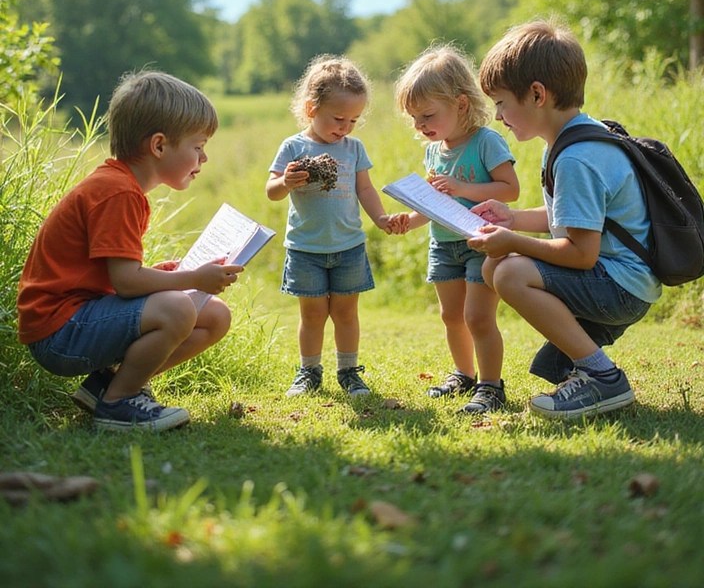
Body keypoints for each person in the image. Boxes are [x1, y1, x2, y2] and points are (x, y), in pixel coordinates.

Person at [17, 71, 243, 432]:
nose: (204, 158)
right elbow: (126, 283)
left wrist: (169, 275)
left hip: (80, 318)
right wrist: (190, 279)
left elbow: (113, 276)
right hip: (59, 332)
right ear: (159, 146)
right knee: (179, 306)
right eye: (198, 146)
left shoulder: (122, 187)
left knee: (215, 316)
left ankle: (105, 385)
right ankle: (119, 403)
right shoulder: (118, 192)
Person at [470, 19, 661, 419]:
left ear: (537, 94)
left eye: (503, 103)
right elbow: (572, 221)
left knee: (508, 272)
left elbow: (581, 254)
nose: (499, 116)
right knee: (497, 267)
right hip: (619, 279)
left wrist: (513, 244)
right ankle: (581, 366)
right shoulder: (570, 139)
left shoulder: (576, 158)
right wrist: (513, 219)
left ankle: (602, 378)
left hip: (620, 286)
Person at [266, 55, 407, 398]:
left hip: (348, 246)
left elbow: (365, 189)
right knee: (312, 314)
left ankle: (349, 372)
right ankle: (309, 372)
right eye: (338, 118)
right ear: (312, 108)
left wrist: (381, 218)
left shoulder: (353, 148)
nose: (345, 127)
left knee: (346, 313)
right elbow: (272, 191)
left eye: (354, 120)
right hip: (305, 248)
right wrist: (286, 181)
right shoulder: (294, 147)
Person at [394, 44, 519, 415]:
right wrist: (410, 219)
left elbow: (510, 190)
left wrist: (463, 188)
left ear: (461, 104)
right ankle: (463, 374)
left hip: (482, 243)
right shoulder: (434, 151)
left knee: (477, 317)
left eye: (428, 115)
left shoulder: (486, 142)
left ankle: (491, 386)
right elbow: (438, 205)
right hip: (443, 244)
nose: (421, 126)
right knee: (451, 316)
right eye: (414, 118)